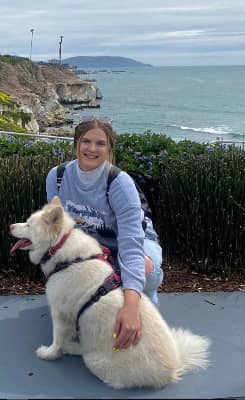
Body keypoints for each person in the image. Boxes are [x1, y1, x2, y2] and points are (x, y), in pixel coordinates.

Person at [46, 116, 163, 351]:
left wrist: (131, 308)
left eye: (100, 143)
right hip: (93, 243)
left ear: (109, 149)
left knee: (145, 270)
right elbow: (60, 231)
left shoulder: (119, 183)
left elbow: (131, 246)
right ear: (76, 144)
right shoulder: (57, 177)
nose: (92, 149)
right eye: (86, 141)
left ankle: (144, 299)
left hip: (133, 240)